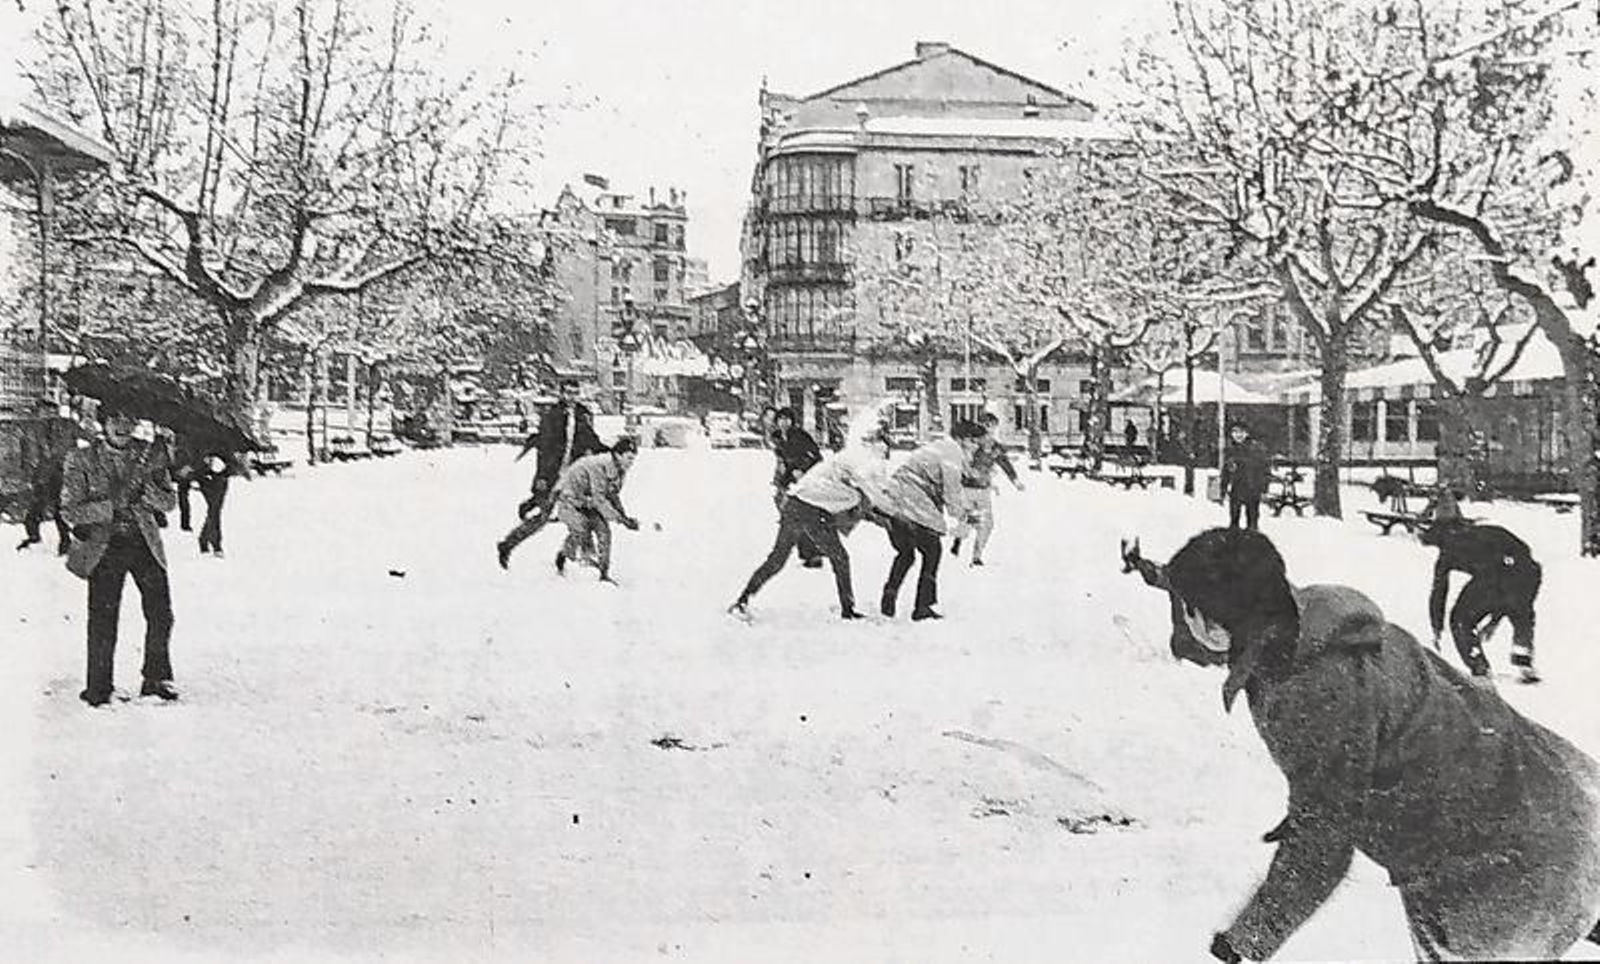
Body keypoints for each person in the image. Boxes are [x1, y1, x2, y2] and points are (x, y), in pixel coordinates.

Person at [1136, 528, 1600, 963]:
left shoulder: (1308, 689)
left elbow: (1323, 845)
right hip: (1563, 800)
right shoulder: (1322, 619)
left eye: (1187, 610)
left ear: (1217, 627)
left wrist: (1246, 942)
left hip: (1501, 871)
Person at [60, 405, 180, 707]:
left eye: (128, 420)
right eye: (115, 420)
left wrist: (148, 493)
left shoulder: (151, 455)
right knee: (103, 618)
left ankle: (156, 679)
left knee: (161, 614)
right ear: (104, 424)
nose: (122, 427)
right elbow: (69, 509)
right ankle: (99, 688)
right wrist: (108, 507)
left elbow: (169, 502)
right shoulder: (81, 459)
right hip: (104, 547)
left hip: (143, 543)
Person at [731, 427, 892, 620]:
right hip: (812, 511)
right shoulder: (855, 477)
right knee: (839, 558)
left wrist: (878, 515)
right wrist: (888, 517)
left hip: (793, 504)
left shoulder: (841, 463)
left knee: (778, 558)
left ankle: (743, 599)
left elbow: (861, 503)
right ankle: (847, 609)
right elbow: (865, 501)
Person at [874, 420, 985, 620]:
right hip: (913, 502)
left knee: (906, 553)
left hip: (894, 499)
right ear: (960, 439)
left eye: (978, 441)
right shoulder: (952, 453)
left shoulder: (940, 447)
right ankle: (922, 606)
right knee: (932, 551)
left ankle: (889, 596)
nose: (976, 445)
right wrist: (963, 515)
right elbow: (951, 491)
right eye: (972, 440)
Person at [497, 379, 606, 569]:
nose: (572, 397)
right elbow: (545, 449)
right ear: (561, 394)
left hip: (574, 475)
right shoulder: (552, 416)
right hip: (553, 473)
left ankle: (574, 554)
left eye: (575, 393)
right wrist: (541, 478)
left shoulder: (583, 414)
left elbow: (591, 440)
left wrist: (609, 451)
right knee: (543, 517)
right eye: (568, 393)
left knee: (585, 512)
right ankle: (507, 545)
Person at [1419, 519, 1542, 683]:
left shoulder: (1453, 551)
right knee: (1520, 611)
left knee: (1461, 618)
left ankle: (1479, 664)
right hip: (1526, 573)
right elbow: (1439, 592)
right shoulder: (1485, 533)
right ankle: (1523, 656)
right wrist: (1495, 617)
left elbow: (1439, 593)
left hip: (1508, 575)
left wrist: (1437, 626)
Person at [552, 435, 640, 583]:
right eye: (629, 458)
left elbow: (612, 495)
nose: (632, 463)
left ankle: (604, 573)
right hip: (570, 500)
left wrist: (624, 516)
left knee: (604, 532)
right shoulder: (599, 465)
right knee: (581, 528)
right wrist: (620, 519)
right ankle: (564, 555)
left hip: (589, 501)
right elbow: (599, 498)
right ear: (618, 455)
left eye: (633, 459)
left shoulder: (620, 469)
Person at [950, 412, 1023, 567]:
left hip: (984, 489)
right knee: (969, 520)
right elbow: (959, 461)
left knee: (986, 524)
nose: (990, 430)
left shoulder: (995, 447)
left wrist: (1015, 480)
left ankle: (976, 555)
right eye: (986, 426)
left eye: (993, 427)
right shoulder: (970, 443)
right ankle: (959, 539)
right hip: (967, 488)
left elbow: (1004, 463)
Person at [15, 398, 74, 555]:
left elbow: (84, 438)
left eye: (51, 411)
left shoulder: (67, 425)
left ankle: (65, 540)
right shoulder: (32, 428)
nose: (47, 414)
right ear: (39, 412)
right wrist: (26, 473)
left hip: (61, 474)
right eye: (44, 411)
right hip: (40, 475)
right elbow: (26, 451)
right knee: (35, 510)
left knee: (59, 510)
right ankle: (34, 537)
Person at [770, 407, 824, 568]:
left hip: (805, 481)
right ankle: (811, 552)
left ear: (793, 421)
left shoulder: (800, 436)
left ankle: (813, 554)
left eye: (787, 419)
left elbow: (816, 456)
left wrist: (801, 468)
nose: (784, 422)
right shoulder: (779, 438)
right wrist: (780, 477)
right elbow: (782, 462)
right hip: (788, 482)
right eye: (780, 419)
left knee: (800, 518)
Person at [1219, 421, 1270, 530]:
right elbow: (1226, 471)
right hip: (1236, 488)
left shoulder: (1256, 449)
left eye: (1241, 432)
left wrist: (1264, 488)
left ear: (1247, 433)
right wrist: (1223, 489)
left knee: (1252, 520)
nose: (1238, 435)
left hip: (1252, 488)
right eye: (1235, 432)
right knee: (1234, 520)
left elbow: (1264, 470)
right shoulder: (1230, 450)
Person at [193, 451, 236, 556]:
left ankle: (205, 539)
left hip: (221, 474)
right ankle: (216, 544)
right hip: (206, 476)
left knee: (214, 510)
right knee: (214, 510)